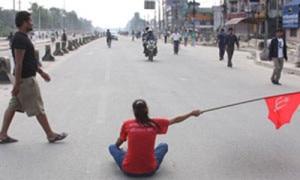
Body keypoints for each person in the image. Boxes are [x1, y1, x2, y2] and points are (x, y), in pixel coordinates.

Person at [0, 11, 67, 144]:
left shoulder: (23, 37)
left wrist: (41, 72)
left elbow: (29, 60)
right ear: (24, 22)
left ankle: (2, 134)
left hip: (23, 79)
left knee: (13, 106)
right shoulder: (20, 39)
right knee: (38, 107)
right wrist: (18, 83)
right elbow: (19, 62)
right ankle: (50, 134)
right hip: (25, 80)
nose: (32, 23)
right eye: (30, 20)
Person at [109, 99, 202, 177]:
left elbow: (119, 141)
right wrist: (191, 113)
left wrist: (121, 150)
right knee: (163, 145)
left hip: (128, 171)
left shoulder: (127, 124)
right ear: (147, 109)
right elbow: (175, 120)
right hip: (150, 170)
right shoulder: (154, 123)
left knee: (112, 147)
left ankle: (126, 153)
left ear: (134, 111)